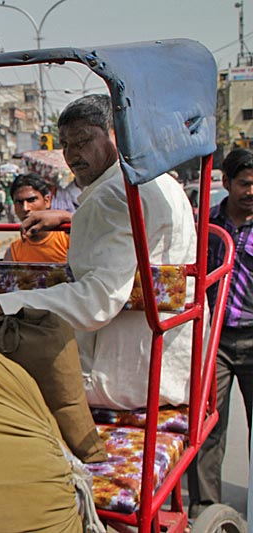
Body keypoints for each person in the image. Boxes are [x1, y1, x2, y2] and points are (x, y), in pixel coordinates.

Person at [0, 94, 197, 410]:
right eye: (67, 145)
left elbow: (95, 302)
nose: (72, 155)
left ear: (117, 136)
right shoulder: (158, 183)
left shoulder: (112, 197)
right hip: (169, 366)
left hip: (122, 378)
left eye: (83, 141)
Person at [188, 148, 253, 518]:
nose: (251, 191)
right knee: (209, 425)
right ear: (226, 183)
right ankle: (205, 509)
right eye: (244, 183)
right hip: (215, 341)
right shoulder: (205, 226)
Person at [3, 173, 70, 263]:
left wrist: (64, 216)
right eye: (19, 202)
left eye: (31, 200)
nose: (25, 208)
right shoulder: (13, 253)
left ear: (47, 201)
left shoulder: (67, 239)